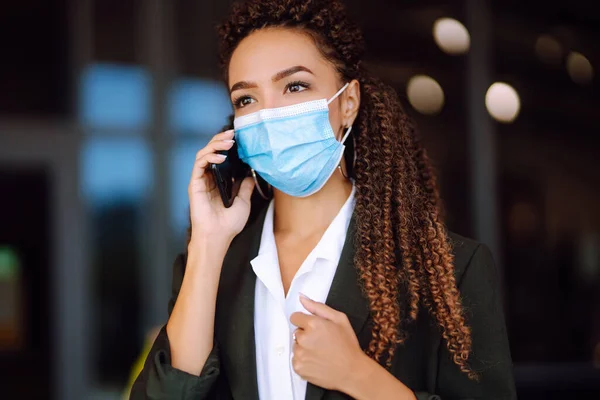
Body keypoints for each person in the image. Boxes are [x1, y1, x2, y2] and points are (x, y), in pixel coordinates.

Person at [131, 0, 516, 398]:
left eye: (295, 86)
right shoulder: (211, 265)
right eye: (247, 99)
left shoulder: (448, 271)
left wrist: (358, 376)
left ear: (347, 103)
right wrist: (208, 245)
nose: (269, 114)